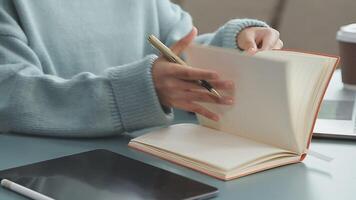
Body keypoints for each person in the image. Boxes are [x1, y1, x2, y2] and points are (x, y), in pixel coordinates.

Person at [0, 0, 283, 137]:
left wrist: (235, 43)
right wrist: (139, 90)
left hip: (148, 162)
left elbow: (181, 53)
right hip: (50, 172)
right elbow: (10, 95)